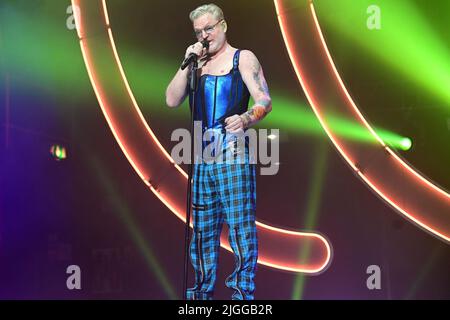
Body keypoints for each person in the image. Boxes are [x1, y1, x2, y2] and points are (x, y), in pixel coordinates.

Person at [165, 3, 272, 300]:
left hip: (233, 150)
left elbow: (264, 99)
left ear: (223, 25)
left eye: (209, 28)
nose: (204, 36)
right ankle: (200, 296)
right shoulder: (196, 64)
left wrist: (247, 118)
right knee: (202, 232)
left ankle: (241, 296)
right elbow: (171, 100)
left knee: (240, 227)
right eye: (199, 31)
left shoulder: (243, 58)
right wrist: (186, 62)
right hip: (201, 155)